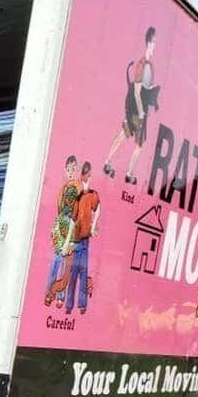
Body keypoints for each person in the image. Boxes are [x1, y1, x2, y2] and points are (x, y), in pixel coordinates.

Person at [103, 27, 158, 185]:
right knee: (136, 143)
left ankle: (111, 165)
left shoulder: (150, 66)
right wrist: (141, 112)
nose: (155, 45)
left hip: (140, 112)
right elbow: (136, 92)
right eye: (154, 42)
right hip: (137, 113)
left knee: (127, 138)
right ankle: (124, 172)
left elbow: (145, 91)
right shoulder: (142, 65)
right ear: (148, 43)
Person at [63, 162, 100, 315]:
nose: (87, 181)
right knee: (74, 273)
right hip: (77, 241)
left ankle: (78, 305)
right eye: (86, 178)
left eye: (88, 177)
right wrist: (66, 243)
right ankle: (71, 306)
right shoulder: (80, 198)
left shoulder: (93, 194)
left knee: (82, 272)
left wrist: (93, 227)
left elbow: (98, 210)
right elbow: (72, 220)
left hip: (84, 241)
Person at [45, 155, 80, 307]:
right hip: (61, 226)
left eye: (73, 169)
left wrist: (69, 240)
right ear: (65, 170)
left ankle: (60, 296)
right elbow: (59, 211)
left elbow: (76, 214)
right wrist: (55, 227)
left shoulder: (78, 189)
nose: (71, 172)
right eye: (68, 169)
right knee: (55, 262)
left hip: (72, 230)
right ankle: (49, 293)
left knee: (66, 265)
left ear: (76, 170)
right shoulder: (63, 189)